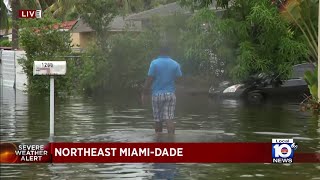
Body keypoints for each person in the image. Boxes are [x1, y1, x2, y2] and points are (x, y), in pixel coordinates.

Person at [141, 46, 182, 134]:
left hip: (157, 94)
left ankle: (158, 140)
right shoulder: (175, 64)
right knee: (169, 118)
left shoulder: (154, 63)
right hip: (170, 94)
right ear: (169, 52)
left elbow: (149, 80)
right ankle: (172, 140)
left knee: (158, 119)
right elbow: (179, 79)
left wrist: (144, 94)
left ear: (159, 52)